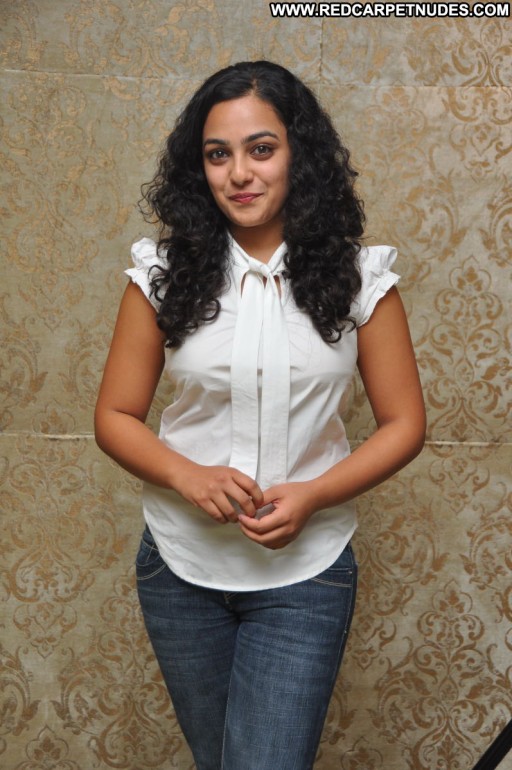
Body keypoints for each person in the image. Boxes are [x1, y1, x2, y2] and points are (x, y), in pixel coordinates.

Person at [95, 60, 426, 770]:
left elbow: (405, 424)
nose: (239, 173)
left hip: (306, 576)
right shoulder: (160, 273)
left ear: (299, 155)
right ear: (200, 169)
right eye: (218, 155)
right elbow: (115, 414)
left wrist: (314, 494)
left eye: (261, 149)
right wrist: (188, 477)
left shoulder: (361, 277)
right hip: (179, 569)